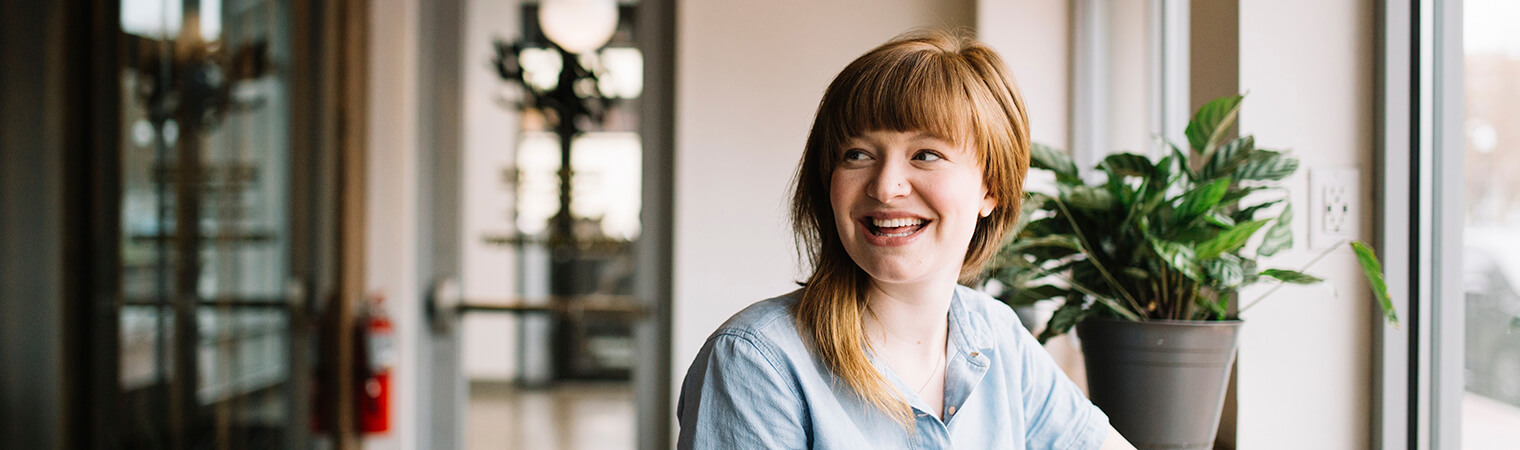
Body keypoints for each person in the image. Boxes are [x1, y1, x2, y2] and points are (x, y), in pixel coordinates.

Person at [676, 30, 1135, 449]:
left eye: (926, 154)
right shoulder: (756, 362)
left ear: (990, 187)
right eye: (857, 154)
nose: (884, 186)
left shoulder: (998, 338)